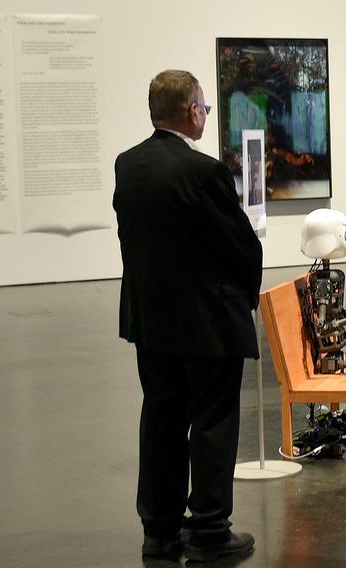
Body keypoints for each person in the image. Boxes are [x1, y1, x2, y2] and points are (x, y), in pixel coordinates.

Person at [113, 70, 260, 562]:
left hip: (151, 322)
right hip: (208, 324)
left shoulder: (127, 165)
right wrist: (247, 296)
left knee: (161, 418)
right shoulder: (205, 171)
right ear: (190, 110)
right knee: (213, 423)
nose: (204, 115)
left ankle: (159, 531)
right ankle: (210, 531)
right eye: (204, 106)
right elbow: (239, 245)